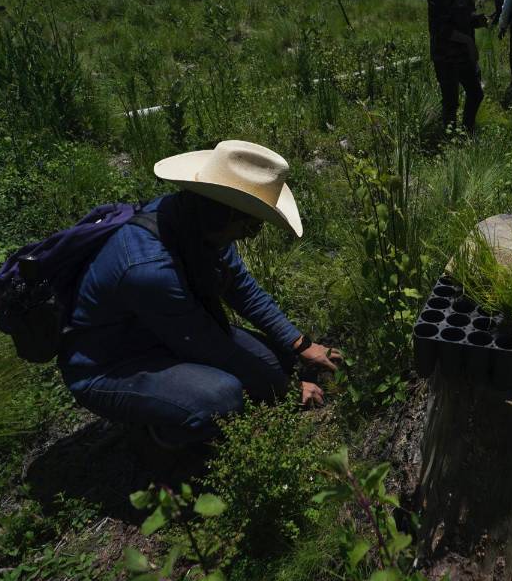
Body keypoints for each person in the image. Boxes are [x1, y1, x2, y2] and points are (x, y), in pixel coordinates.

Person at [58, 140, 341, 450]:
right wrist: (287, 390)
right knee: (223, 397)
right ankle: (162, 434)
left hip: (161, 334)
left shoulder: (195, 222)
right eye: (252, 226)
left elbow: (243, 290)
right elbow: (209, 345)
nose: (250, 234)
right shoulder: (149, 269)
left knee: (276, 361)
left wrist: (302, 344)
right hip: (109, 365)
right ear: (227, 215)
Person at [428, 0, 492, 134]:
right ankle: (449, 142)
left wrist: (477, 20)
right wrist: (468, 42)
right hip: (446, 56)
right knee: (451, 102)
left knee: (475, 93)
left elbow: (465, 16)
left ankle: (467, 132)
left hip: (464, 54)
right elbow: (440, 29)